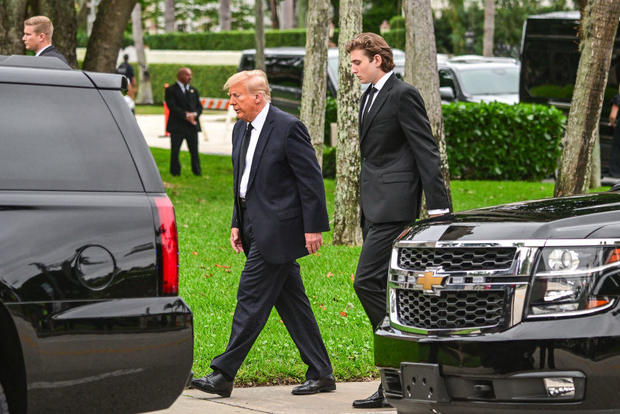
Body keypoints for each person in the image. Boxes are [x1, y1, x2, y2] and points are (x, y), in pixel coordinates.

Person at [191, 70, 335, 397]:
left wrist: (313, 227)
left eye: (237, 96)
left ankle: (223, 374)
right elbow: (242, 183)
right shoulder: (240, 130)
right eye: (231, 97)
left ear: (258, 96)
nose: (232, 103)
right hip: (254, 225)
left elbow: (310, 182)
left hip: (280, 230)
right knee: (294, 305)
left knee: (250, 297)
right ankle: (322, 373)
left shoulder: (288, 128)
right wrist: (236, 222)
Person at [346, 33, 451, 409]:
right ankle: (395, 380)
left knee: (367, 282)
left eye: (358, 62)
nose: (353, 69)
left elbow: (426, 149)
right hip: (373, 205)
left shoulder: (403, 94)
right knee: (386, 286)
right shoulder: (367, 96)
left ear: (378, 59)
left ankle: (396, 360)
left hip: (396, 206)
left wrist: (439, 207)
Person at [165, 67, 202, 176]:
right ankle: (175, 172)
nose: (190, 77)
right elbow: (172, 106)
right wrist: (186, 115)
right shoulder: (171, 90)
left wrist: (194, 115)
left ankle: (197, 171)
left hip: (192, 127)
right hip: (177, 126)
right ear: (180, 76)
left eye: (190, 75)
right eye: (187, 75)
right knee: (175, 151)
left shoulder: (194, 91)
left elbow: (199, 107)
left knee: (194, 151)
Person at [609, 94, 620, 177]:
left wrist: (612, 124)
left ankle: (615, 172)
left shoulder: (618, 98)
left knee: (616, 148)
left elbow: (613, 116)